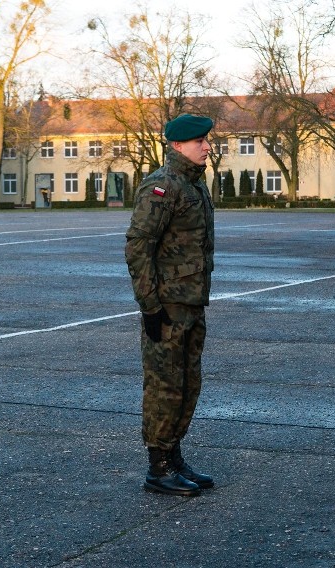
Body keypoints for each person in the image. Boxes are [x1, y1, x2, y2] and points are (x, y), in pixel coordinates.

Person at [125, 114, 216, 496]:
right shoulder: (163, 186)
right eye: (200, 142)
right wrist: (150, 308)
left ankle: (174, 455)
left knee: (187, 384)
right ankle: (157, 467)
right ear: (178, 145)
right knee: (164, 386)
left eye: (207, 140)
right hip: (167, 307)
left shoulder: (194, 185)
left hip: (191, 304)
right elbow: (138, 246)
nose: (208, 146)